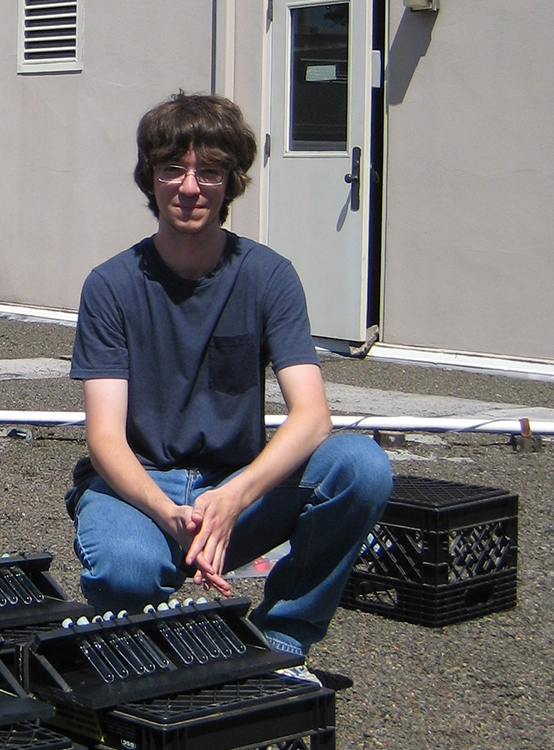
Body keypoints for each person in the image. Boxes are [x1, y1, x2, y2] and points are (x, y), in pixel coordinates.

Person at [65, 92, 393, 662]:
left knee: (361, 467)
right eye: (173, 169)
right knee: (126, 574)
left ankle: (284, 640)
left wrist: (234, 496)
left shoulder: (269, 276)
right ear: (151, 179)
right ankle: (134, 648)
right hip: (142, 487)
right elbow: (105, 438)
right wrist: (170, 513)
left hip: (235, 483)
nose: (190, 187)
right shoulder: (111, 285)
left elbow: (313, 418)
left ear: (231, 181)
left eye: (209, 171)